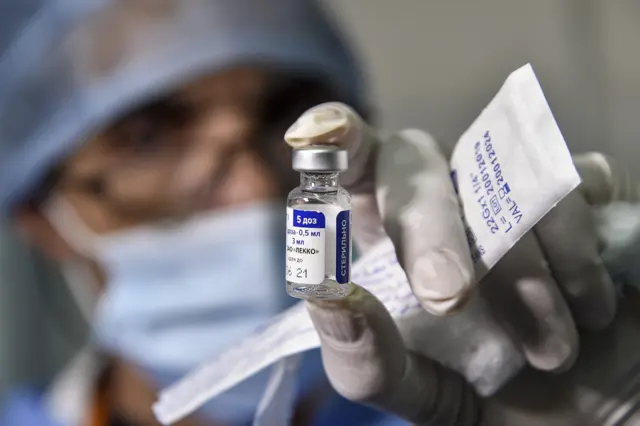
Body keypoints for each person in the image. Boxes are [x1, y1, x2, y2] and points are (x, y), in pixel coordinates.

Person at [0, 2, 637, 426]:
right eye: (147, 138)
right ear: (42, 220)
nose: (251, 188)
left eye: (285, 113)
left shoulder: (468, 400)